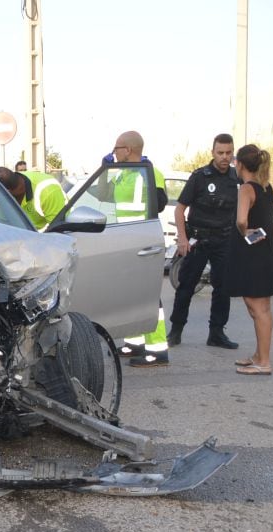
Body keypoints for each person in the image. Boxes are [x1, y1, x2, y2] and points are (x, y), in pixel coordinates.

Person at [168, 133, 240, 350]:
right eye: (220, 153)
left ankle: (217, 333)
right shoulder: (200, 176)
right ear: (213, 152)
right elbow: (180, 209)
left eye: (228, 153)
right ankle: (176, 331)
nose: (224, 157)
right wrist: (182, 238)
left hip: (224, 240)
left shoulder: (236, 178)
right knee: (186, 287)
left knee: (223, 288)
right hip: (198, 239)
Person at [105, 131, 171, 367]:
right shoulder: (120, 173)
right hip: (124, 241)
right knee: (130, 293)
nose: (115, 152)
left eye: (117, 148)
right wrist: (103, 171)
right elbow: (103, 196)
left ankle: (157, 350)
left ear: (129, 149)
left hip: (143, 241)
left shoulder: (151, 172)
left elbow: (160, 204)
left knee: (148, 295)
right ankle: (135, 342)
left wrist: (147, 177)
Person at [230, 144, 273, 375]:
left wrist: (245, 231)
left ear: (239, 164)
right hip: (266, 251)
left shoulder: (246, 189)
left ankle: (264, 362)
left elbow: (241, 220)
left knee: (258, 309)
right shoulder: (265, 187)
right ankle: (259, 355)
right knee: (259, 307)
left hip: (254, 254)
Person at [0, 166, 66, 230]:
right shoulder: (6, 191)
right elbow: (4, 222)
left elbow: (58, 230)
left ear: (8, 191)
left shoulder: (47, 191)